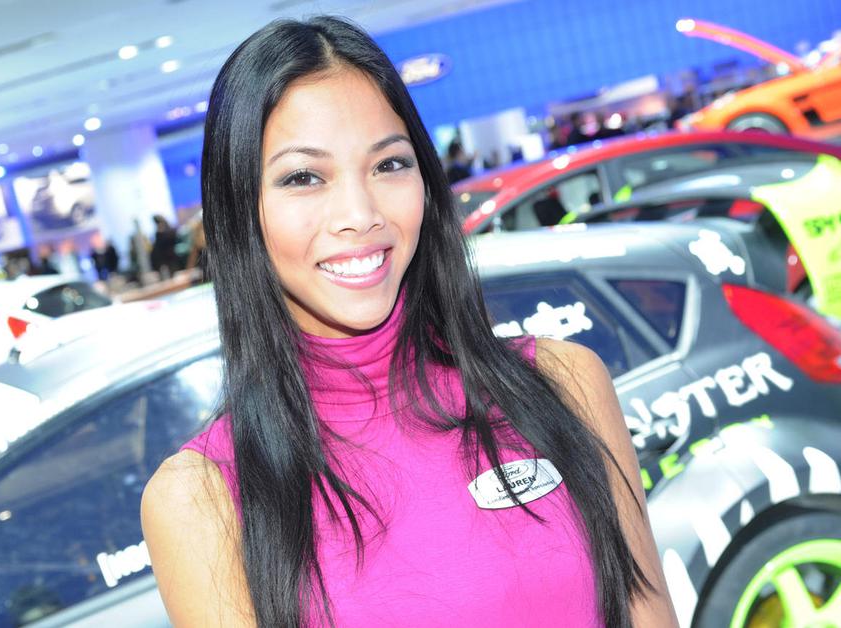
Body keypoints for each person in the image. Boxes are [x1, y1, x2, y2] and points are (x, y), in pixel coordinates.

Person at [141, 16, 677, 628]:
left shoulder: (565, 383)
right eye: (303, 178)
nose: (360, 213)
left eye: (389, 164)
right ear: (239, 210)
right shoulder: (202, 498)